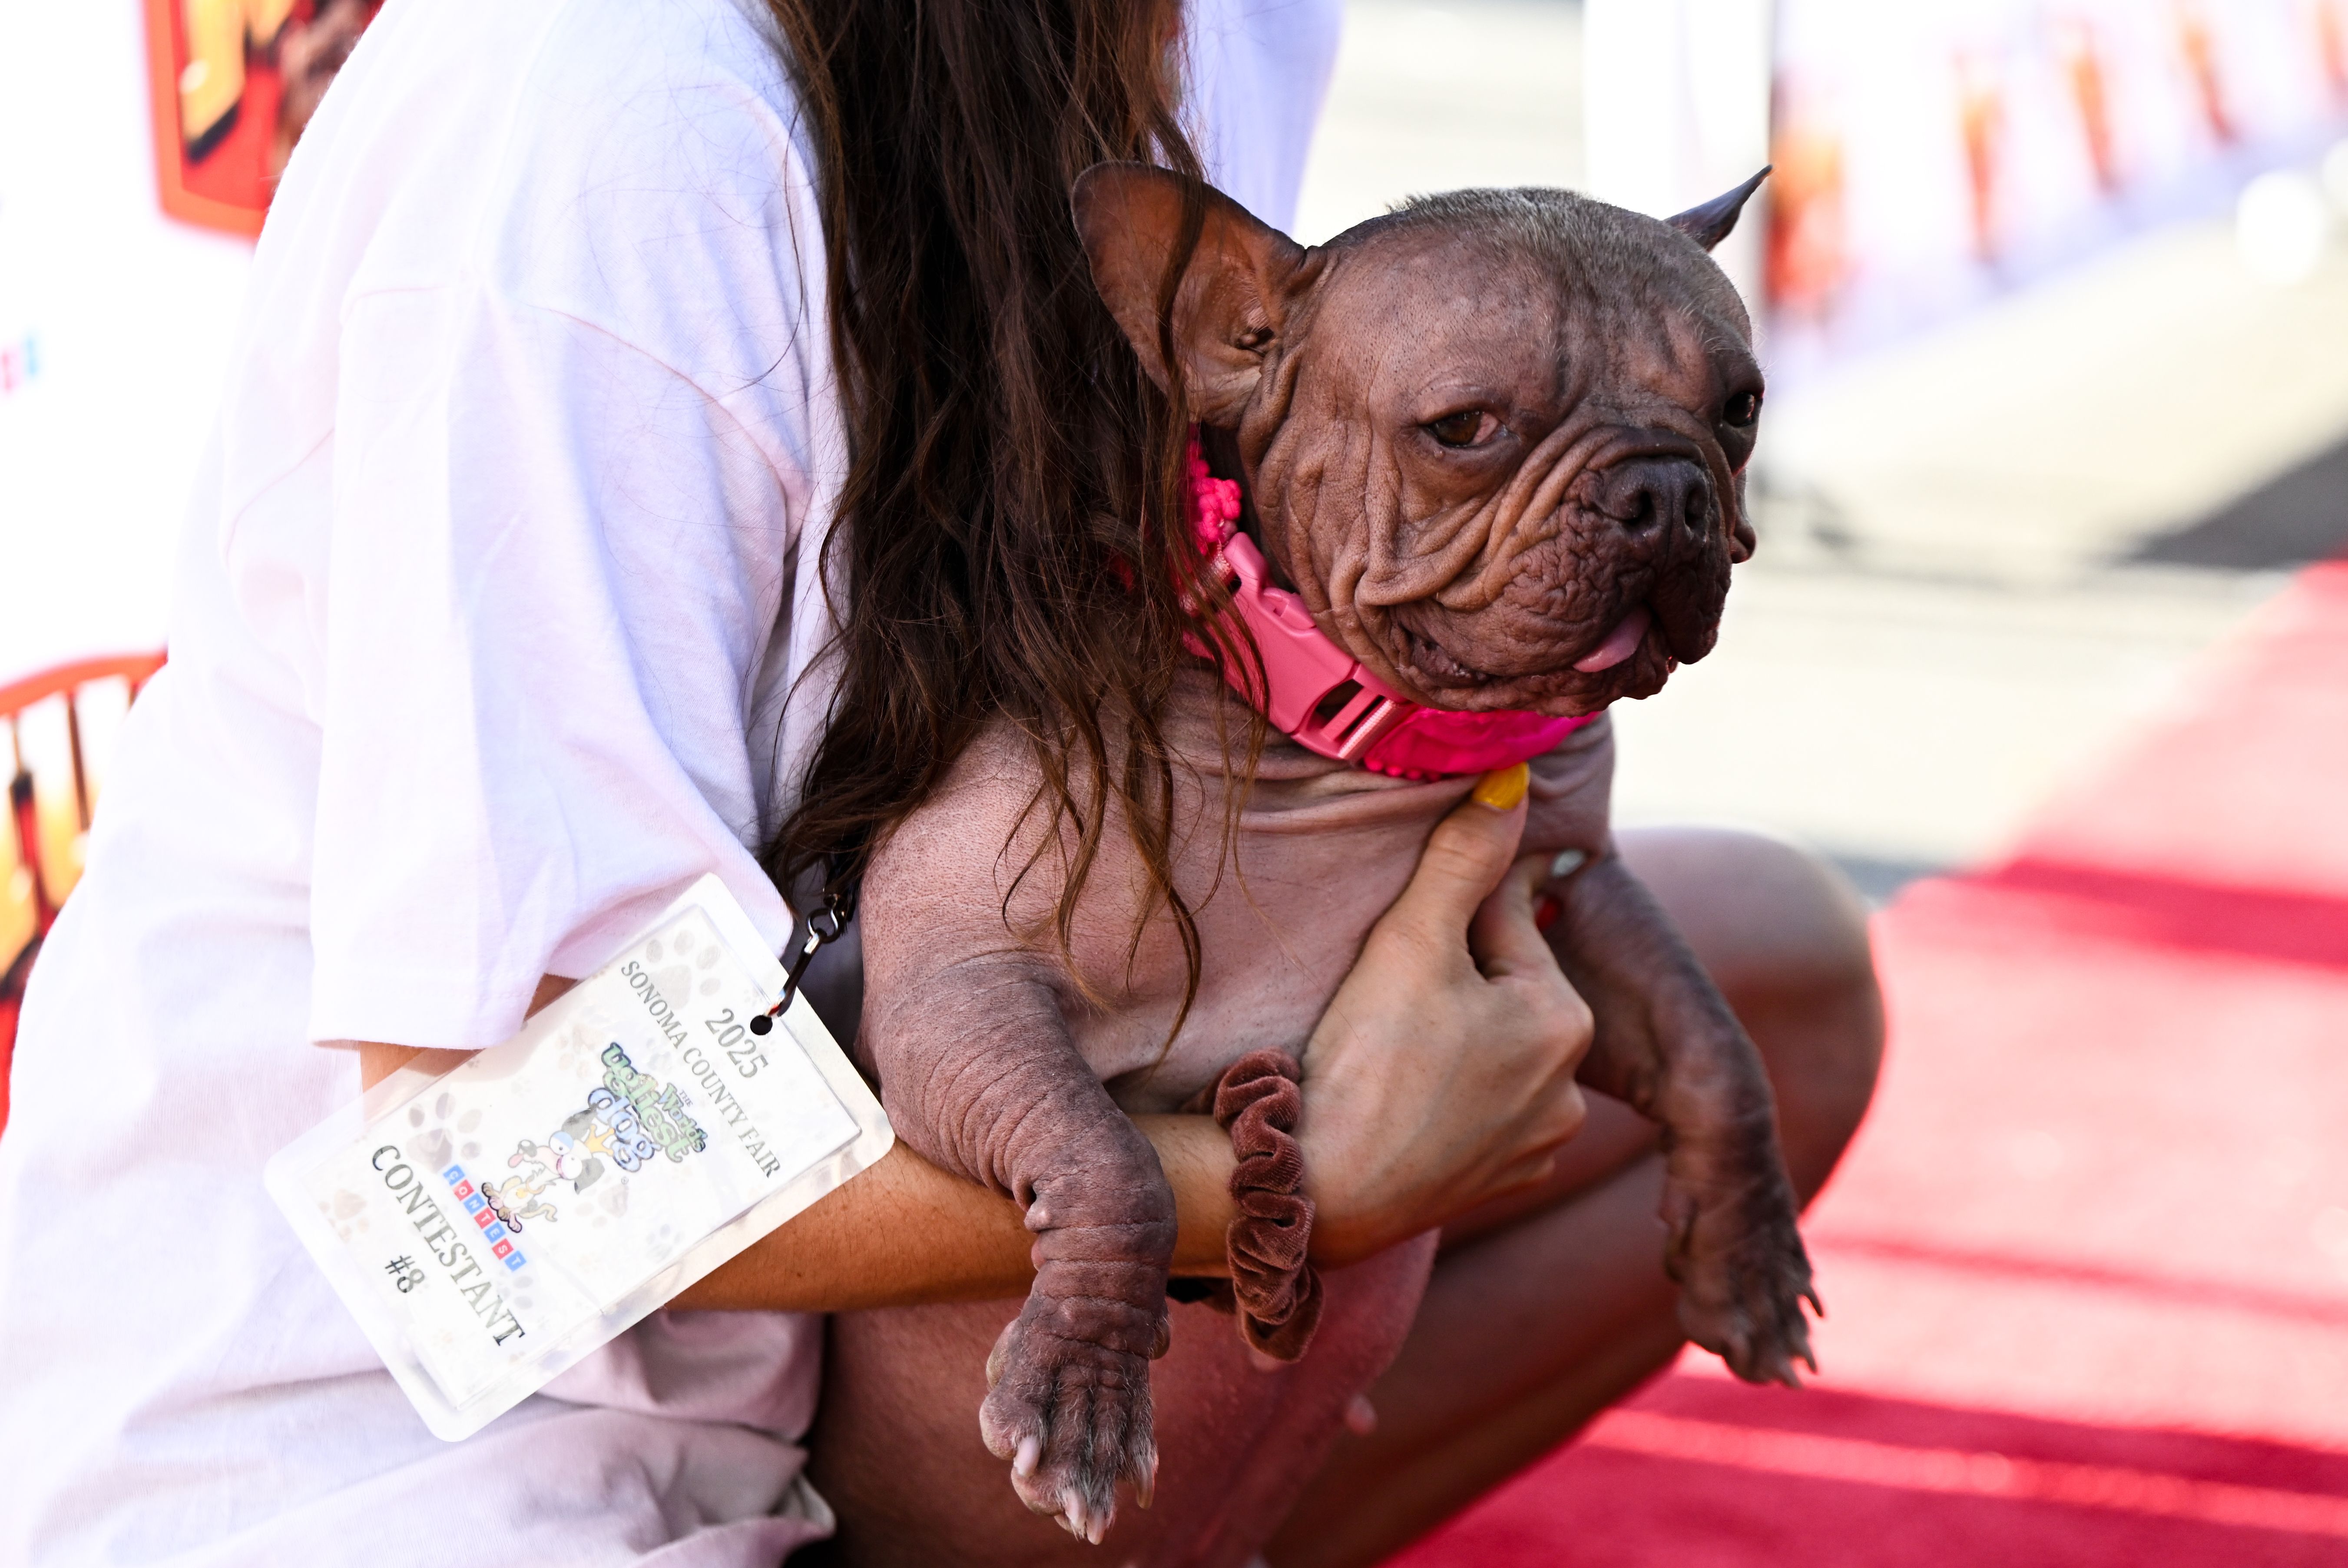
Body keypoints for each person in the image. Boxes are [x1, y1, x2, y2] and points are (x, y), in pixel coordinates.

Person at [0, 1, 1882, 1565]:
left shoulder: (1205, 30)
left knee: (1771, 976)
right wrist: (1283, 1186)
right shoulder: (607, 138)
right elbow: (495, 1193)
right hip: (403, 1445)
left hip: (808, 1302)